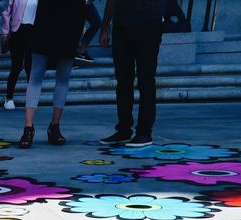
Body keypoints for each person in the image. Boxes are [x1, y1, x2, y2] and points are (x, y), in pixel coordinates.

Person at [17, 0, 87, 147]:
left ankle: (54, 126)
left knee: (63, 75)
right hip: (46, 19)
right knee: (36, 74)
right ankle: (28, 127)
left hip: (71, 20)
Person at [97, 0, 166, 145]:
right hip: (122, 24)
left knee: (145, 79)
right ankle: (124, 129)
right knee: (123, 79)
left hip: (148, 22)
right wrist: (105, 26)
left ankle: (144, 131)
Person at [0, 0, 35, 110]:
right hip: (17, 31)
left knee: (31, 67)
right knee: (16, 66)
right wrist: (5, 32)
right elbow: (6, 11)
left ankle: (31, 100)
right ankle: (9, 98)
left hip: (34, 32)